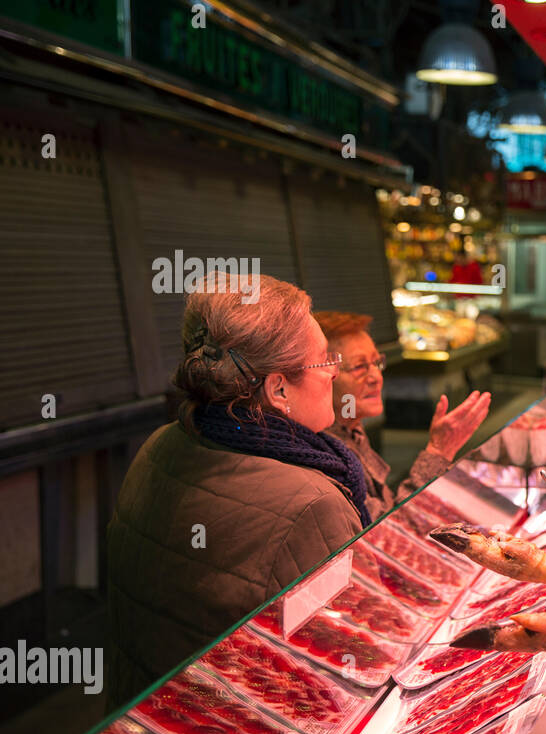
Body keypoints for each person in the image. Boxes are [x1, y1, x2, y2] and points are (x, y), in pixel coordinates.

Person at [107, 274, 369, 707]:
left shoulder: (160, 445)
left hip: (140, 723)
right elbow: (347, 664)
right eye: (324, 361)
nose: (335, 372)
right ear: (278, 388)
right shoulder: (312, 502)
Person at [314, 311, 491, 521]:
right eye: (360, 367)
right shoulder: (324, 453)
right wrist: (438, 451)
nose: (376, 377)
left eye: (376, 363)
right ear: (322, 375)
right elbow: (392, 531)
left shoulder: (350, 426)